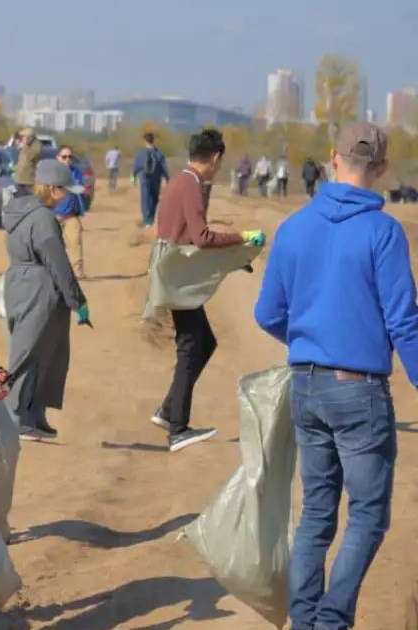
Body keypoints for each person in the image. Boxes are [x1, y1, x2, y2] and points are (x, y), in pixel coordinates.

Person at [254, 122, 410, 630]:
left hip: (307, 384)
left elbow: (267, 313)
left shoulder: (295, 227)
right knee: (367, 515)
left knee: (318, 515)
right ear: (381, 169)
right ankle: (330, 621)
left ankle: (305, 621)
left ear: (331, 158)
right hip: (358, 390)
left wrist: (308, 340)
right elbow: (403, 320)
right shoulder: (383, 232)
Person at [151, 129, 262, 452]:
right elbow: (201, 238)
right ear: (215, 157)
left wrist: (231, 259)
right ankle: (178, 428)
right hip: (178, 277)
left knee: (204, 342)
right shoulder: (191, 185)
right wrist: (240, 237)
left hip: (177, 272)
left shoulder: (182, 180)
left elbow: (191, 239)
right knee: (191, 346)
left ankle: (168, 410)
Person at [3, 159, 90, 440]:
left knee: (46, 352)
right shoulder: (42, 219)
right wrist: (78, 300)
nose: (67, 196)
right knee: (29, 353)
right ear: (52, 189)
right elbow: (58, 262)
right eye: (64, 190)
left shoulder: (22, 212)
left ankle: (34, 414)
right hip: (39, 287)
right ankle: (17, 416)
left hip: (22, 284)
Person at [54, 147, 88, 279]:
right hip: (54, 215)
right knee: (53, 246)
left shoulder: (76, 172)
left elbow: (79, 188)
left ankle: (78, 272)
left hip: (71, 215)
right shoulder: (52, 173)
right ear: (57, 158)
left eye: (70, 157)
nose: (67, 159)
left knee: (75, 243)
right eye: (64, 157)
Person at [132, 132, 170, 227]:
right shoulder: (159, 153)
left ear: (145, 141)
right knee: (154, 198)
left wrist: (133, 177)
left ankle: (147, 220)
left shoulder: (140, 153)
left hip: (144, 178)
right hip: (156, 179)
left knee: (145, 198)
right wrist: (167, 178)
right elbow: (164, 167)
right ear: (153, 140)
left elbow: (136, 167)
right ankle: (151, 218)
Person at [12, 128, 40, 196]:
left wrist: (25, 146)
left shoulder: (36, 145)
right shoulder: (25, 146)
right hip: (19, 179)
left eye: (24, 137)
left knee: (30, 201)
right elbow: (22, 161)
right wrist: (15, 168)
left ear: (30, 137)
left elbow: (31, 156)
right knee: (19, 201)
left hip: (29, 180)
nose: (22, 139)